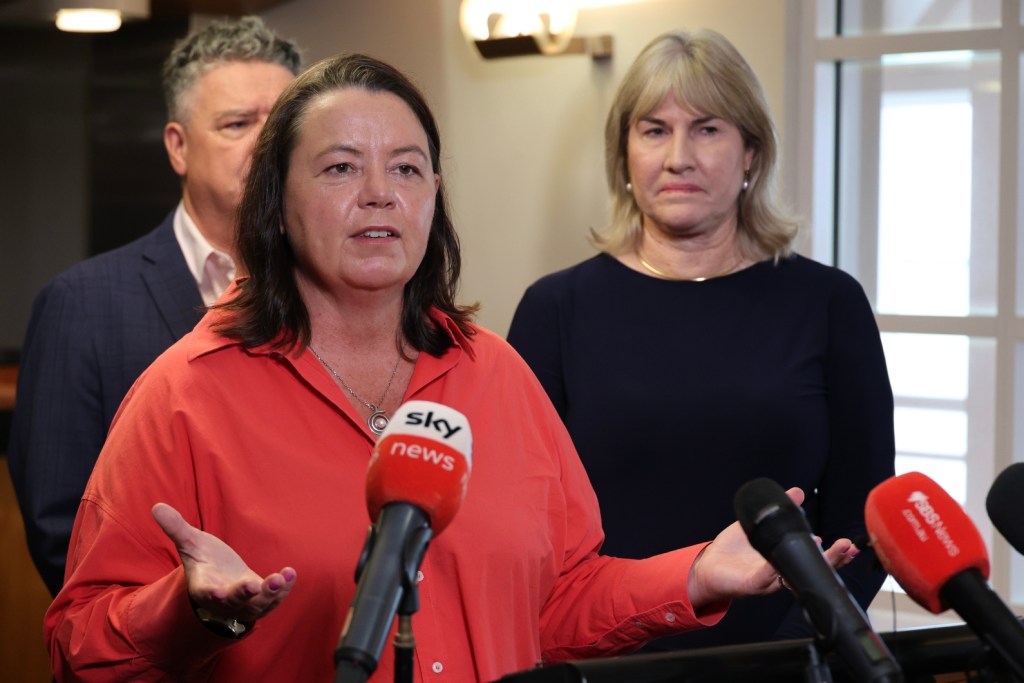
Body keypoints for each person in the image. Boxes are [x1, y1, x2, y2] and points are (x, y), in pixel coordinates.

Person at [44, 52, 858, 683]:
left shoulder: (496, 374)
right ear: (276, 203)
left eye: (406, 168)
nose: (379, 194)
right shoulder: (187, 392)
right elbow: (77, 647)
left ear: (433, 196)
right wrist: (182, 610)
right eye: (338, 168)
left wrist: (697, 575)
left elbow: (559, 602)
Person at [507, 28, 895, 649]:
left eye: (707, 128)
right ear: (624, 154)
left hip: (788, 658)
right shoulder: (554, 310)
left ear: (751, 153)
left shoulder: (828, 303)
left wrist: (799, 648)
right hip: (606, 658)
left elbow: (869, 521)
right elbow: (523, 531)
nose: (677, 156)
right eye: (654, 130)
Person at [6, 16, 301, 596]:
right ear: (178, 146)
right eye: (237, 124)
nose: (267, 144)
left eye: (284, 124)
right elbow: (59, 529)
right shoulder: (82, 303)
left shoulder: (334, 293)